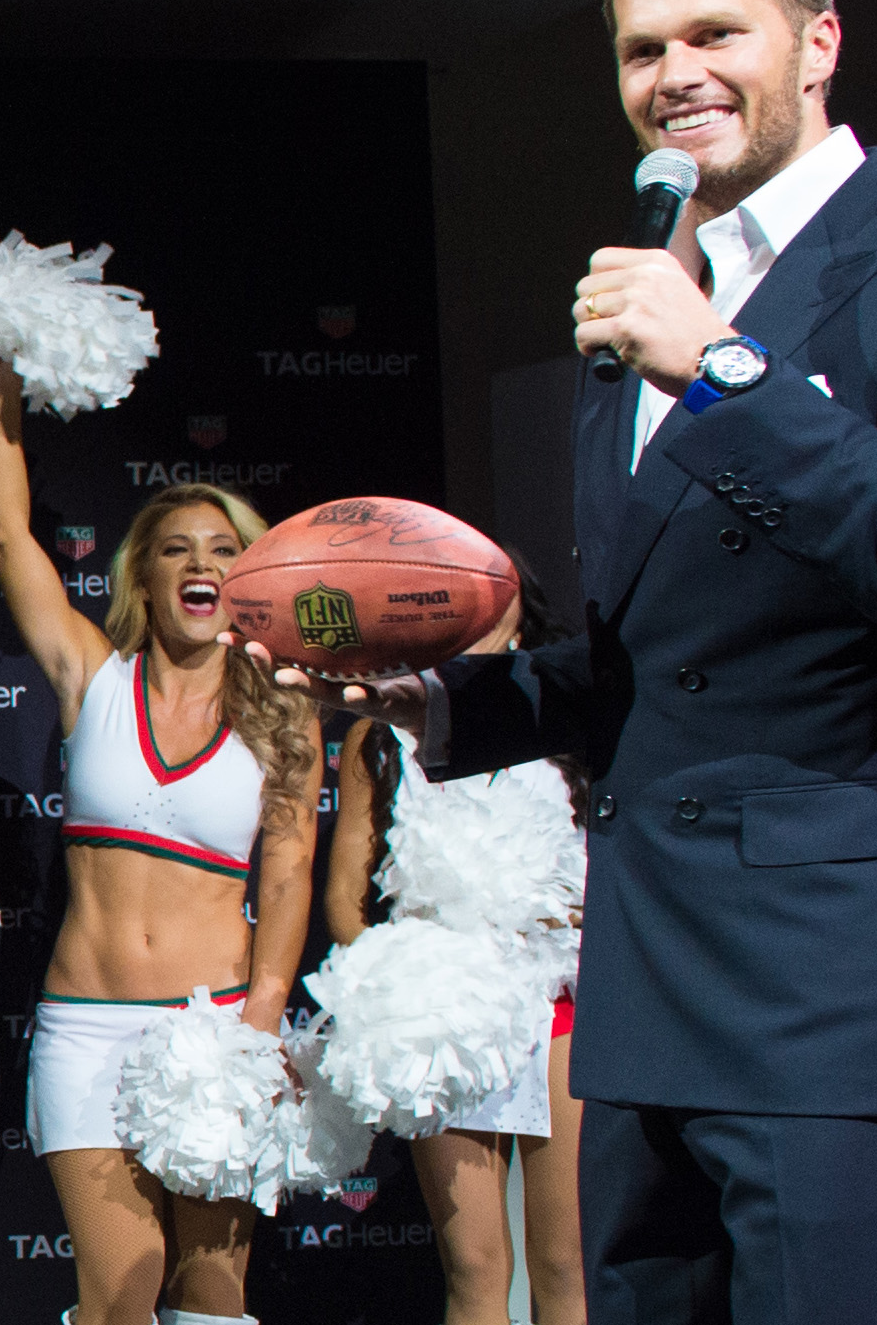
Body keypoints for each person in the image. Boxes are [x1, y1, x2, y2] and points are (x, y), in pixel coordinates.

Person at [240, 0, 877, 1322]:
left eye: (714, 32)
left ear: (816, 42)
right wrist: (446, 699)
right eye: (641, 51)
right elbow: (670, 665)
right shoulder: (641, 302)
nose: (672, 75)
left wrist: (728, 376)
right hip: (651, 1000)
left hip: (852, 1011)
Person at [0, 357, 322, 1325]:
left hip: (214, 1031)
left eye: (221, 548)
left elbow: (290, 869)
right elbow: (9, 534)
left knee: (211, 1299)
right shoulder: (92, 675)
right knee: (120, 1299)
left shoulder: (284, 713)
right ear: (144, 572)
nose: (201, 564)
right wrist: (1, 364)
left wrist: (258, 1022)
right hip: (84, 1032)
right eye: (176, 548)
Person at [325, 562, 586, 1325]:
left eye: (491, 601)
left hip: (557, 1005)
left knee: (564, 1262)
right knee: (474, 1266)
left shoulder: (567, 720)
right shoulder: (382, 730)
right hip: (444, 1014)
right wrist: (399, 980)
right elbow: (346, 897)